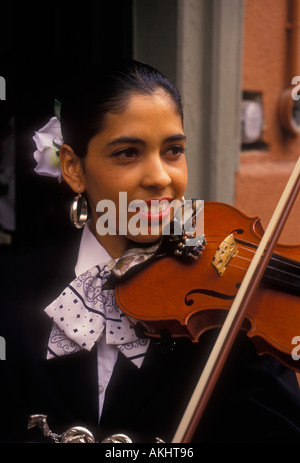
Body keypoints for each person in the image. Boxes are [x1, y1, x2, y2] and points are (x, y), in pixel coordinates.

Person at [1, 60, 300, 444]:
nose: (161, 177)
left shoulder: (230, 307)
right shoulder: (10, 290)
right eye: (127, 153)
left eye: (173, 150)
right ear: (74, 168)